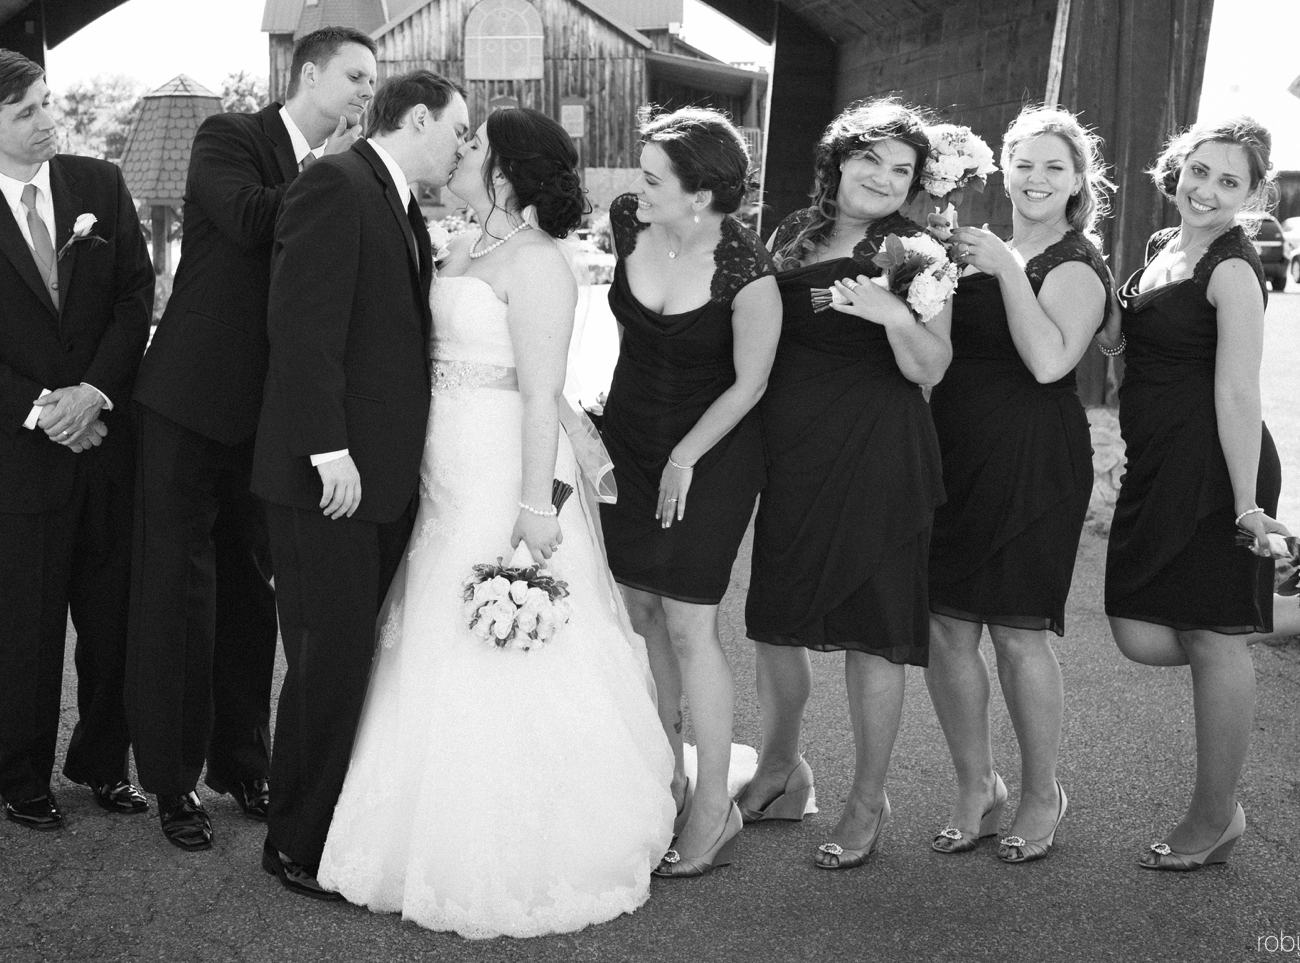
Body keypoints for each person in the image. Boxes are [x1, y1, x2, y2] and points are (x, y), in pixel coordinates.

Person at [316, 107, 675, 938]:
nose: (460, 151)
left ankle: (526, 840)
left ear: (506, 170)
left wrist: (532, 506)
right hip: (441, 466)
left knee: (498, 632)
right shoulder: (459, 246)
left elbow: (542, 395)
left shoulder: (541, 263)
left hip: (502, 467)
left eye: (474, 145)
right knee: (433, 623)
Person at [1102, 116, 1300, 872]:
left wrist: (1245, 507)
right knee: (1139, 631)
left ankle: (1213, 818)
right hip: (1158, 464)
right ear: (1178, 168)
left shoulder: (1232, 269)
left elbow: (1238, 390)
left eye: (1228, 181)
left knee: (1211, 638)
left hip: (1213, 469)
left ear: (1253, 195)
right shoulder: (1163, 248)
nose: (1206, 189)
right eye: (1199, 170)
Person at [130, 25, 374, 851]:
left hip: (267, 417)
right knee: (176, 593)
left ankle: (244, 762)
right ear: (309, 73)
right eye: (355, 77)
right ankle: (171, 780)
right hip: (189, 404)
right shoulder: (230, 136)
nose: (365, 94)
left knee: (249, 594)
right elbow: (246, 218)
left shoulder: (338, 172)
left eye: (373, 83)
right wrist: (341, 175)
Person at [0, 49, 156, 831]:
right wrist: (47, 409)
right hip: (18, 457)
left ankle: (103, 762)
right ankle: (23, 776)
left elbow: (133, 297)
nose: (50, 120)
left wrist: (96, 394)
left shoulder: (100, 186)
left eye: (49, 103)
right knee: (24, 625)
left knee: (114, 621)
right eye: (27, 112)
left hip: (108, 438)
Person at [250, 69, 469, 901]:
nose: (462, 147)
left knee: (351, 655)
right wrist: (327, 449)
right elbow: (302, 328)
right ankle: (293, 842)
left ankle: (329, 819)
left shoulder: (398, 199)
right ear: (417, 118)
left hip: (376, 480)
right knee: (325, 657)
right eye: (456, 129)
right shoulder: (336, 185)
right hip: (326, 479)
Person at [744, 98, 951, 871]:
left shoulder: (918, 249)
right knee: (775, 621)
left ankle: (868, 795)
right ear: (838, 160)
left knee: (874, 632)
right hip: (795, 450)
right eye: (872, 159)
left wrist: (892, 311)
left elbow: (932, 368)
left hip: (879, 453)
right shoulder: (791, 236)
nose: (885, 177)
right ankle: (780, 769)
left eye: (903, 170)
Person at [925, 107, 1112, 864]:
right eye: (1024, 164)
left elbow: (1048, 362)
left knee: (1017, 630)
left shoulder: (1075, 263)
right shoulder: (962, 247)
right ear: (1003, 170)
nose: (1036, 178)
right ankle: (978, 784)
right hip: (955, 450)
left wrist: (1004, 266)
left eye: (1054, 167)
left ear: (1077, 183)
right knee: (944, 627)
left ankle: (1043, 793)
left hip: (1034, 458)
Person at [598, 107, 780, 880]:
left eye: (652, 178)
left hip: (712, 450)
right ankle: (663, 777)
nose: (635, 187)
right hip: (627, 443)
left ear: (701, 193)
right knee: (637, 610)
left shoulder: (748, 269)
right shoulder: (626, 220)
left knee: (688, 621)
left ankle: (714, 806)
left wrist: (685, 455)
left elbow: (752, 382)